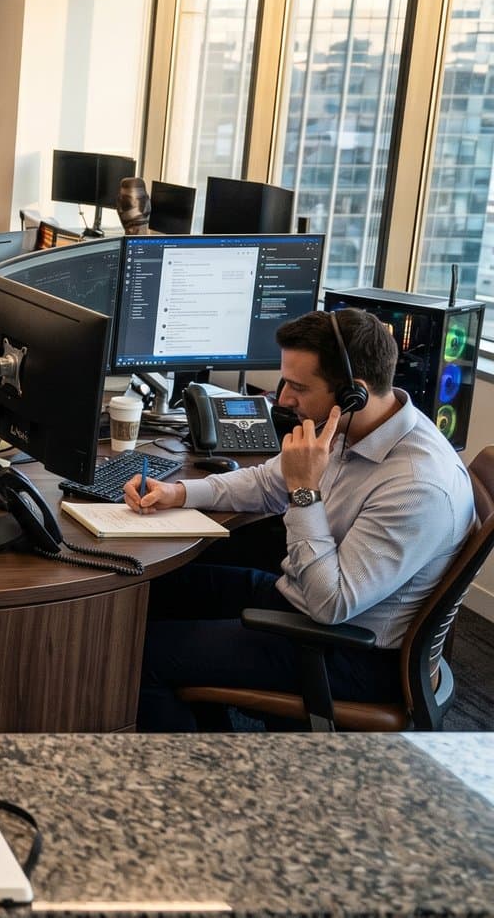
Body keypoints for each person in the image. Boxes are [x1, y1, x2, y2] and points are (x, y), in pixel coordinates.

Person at [127, 308, 475, 731]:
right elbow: (266, 481)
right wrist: (178, 493)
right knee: (147, 596)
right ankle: (207, 725)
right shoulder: (354, 425)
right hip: (299, 600)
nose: (283, 399)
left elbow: (332, 604)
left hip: (348, 651)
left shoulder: (417, 486)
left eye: (297, 387)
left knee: (141, 658)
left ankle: (201, 786)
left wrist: (304, 492)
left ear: (354, 393)